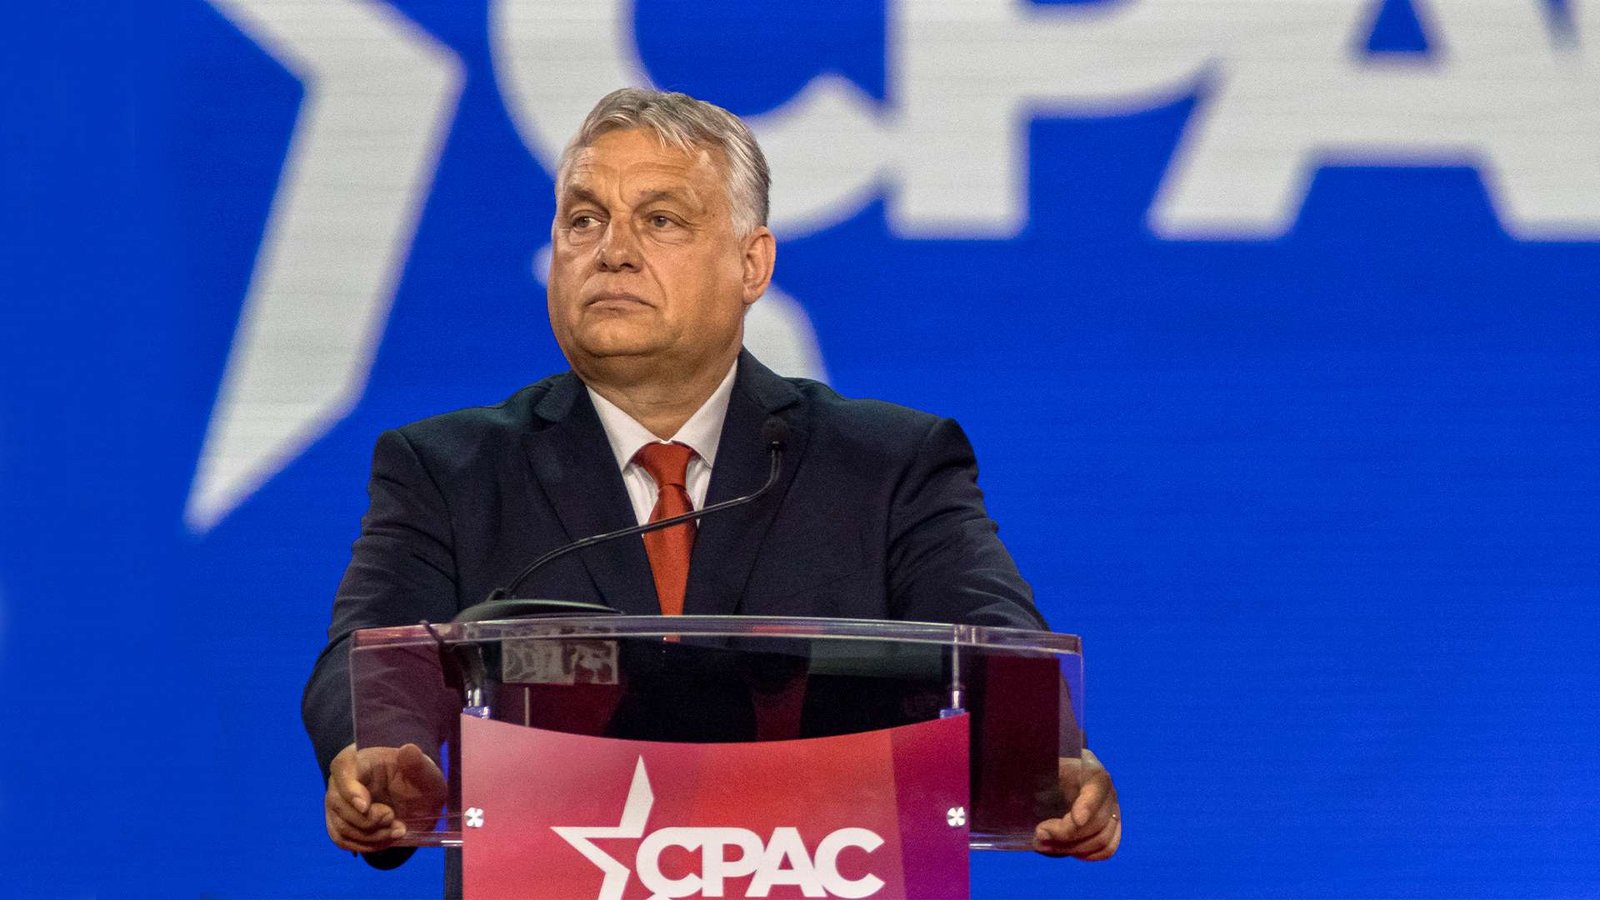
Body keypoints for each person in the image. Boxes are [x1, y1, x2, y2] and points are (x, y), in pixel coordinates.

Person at [305, 88, 1122, 875]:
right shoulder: (450, 468)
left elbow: (995, 638)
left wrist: (1047, 757)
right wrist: (377, 753)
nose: (611, 250)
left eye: (660, 220)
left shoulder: (887, 464)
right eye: (584, 220)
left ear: (751, 263)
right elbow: (369, 653)